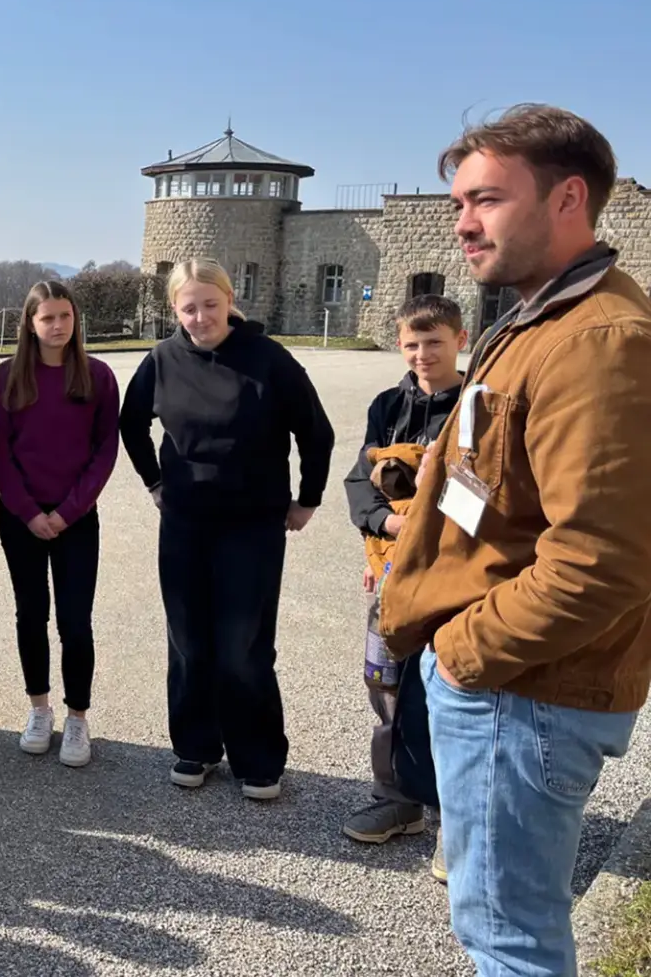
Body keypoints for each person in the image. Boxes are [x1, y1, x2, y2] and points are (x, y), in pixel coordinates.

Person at [380, 104, 651, 977]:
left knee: (510, 939)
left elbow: (603, 559)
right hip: (512, 688)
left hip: (519, 691)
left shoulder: (601, 340)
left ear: (569, 197)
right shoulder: (543, 317)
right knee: (500, 925)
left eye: (485, 199)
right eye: (459, 201)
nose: (461, 221)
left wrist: (463, 651)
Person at [119, 258, 334, 800]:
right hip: (187, 521)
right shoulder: (163, 360)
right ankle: (195, 746)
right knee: (189, 638)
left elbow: (316, 431)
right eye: (188, 307)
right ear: (175, 309)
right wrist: (154, 483)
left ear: (229, 300)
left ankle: (257, 756)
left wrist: (307, 498)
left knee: (243, 643)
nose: (200, 317)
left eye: (210, 304)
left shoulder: (269, 359)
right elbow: (131, 423)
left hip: (253, 523)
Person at [340, 294, 465, 878]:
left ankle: (453, 823)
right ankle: (397, 799)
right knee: (386, 688)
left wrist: (423, 520)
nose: (422, 354)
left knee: (447, 696)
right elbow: (359, 481)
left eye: (434, 342)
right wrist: (387, 524)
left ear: (460, 340)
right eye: (412, 344)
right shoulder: (386, 404)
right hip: (392, 574)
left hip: (452, 578)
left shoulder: (475, 407)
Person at [0, 280, 119, 768]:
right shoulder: (6, 379)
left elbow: (105, 450)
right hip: (21, 518)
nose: (58, 326)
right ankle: (39, 710)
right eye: (48, 318)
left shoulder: (98, 377)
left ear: (75, 320)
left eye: (66, 316)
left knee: (75, 621)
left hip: (77, 519)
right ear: (30, 322)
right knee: (31, 614)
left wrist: (68, 511)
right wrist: (28, 512)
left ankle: (77, 718)